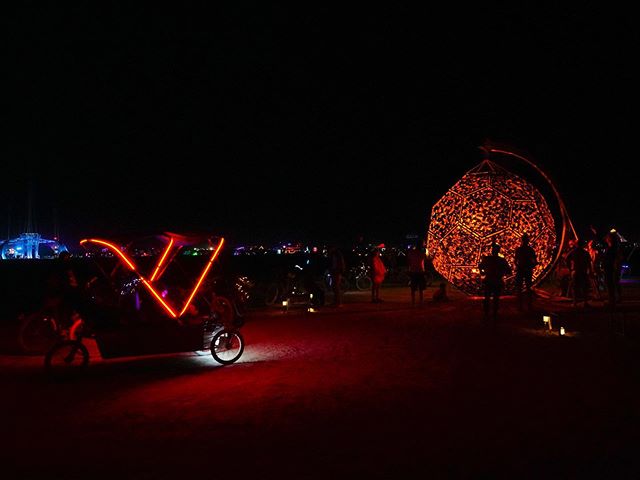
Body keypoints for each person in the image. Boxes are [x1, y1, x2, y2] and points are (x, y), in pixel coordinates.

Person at [478, 242, 512, 324]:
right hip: (497, 281)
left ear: (492, 251)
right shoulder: (502, 260)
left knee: (487, 297)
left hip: (489, 280)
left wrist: (482, 272)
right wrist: (503, 273)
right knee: (495, 298)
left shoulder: (487, 259)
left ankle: (487, 314)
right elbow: (509, 270)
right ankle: (494, 314)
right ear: (498, 251)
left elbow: (480, 266)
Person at [514, 233, 538, 311]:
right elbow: (535, 261)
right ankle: (528, 305)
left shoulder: (519, 249)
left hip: (521, 270)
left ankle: (521, 305)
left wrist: (518, 267)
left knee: (520, 288)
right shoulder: (530, 250)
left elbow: (515, 261)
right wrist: (532, 266)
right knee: (528, 287)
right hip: (526, 270)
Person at [566, 239, 592, 308]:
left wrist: (570, 268)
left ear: (576, 244)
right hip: (583, 271)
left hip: (576, 271)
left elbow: (566, 258)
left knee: (575, 287)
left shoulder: (573, 252)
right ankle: (585, 302)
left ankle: (575, 303)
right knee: (584, 287)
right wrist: (590, 270)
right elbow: (589, 263)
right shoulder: (585, 253)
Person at [603, 231, 623, 308]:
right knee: (612, 284)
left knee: (612, 284)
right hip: (611, 269)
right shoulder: (611, 248)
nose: (606, 239)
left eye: (608, 237)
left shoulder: (613, 249)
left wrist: (616, 267)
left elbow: (616, 259)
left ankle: (612, 301)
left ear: (610, 239)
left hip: (612, 269)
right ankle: (613, 300)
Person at [406, 241, 427, 306]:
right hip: (420, 271)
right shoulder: (422, 253)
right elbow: (427, 258)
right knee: (420, 287)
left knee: (413, 288)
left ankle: (413, 302)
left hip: (413, 271)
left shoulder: (412, 253)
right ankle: (421, 301)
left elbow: (408, 261)